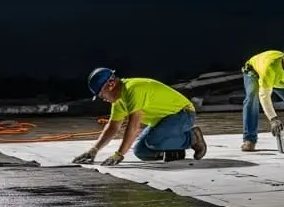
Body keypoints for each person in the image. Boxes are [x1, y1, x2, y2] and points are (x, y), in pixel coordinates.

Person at [72, 67, 206, 165]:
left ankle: (192, 137)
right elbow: (112, 127)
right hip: (162, 122)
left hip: (182, 114)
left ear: (111, 85)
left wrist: (119, 155)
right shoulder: (119, 101)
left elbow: (134, 126)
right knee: (141, 151)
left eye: (101, 94)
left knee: (154, 141)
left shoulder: (133, 90)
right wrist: (94, 150)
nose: (103, 99)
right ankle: (174, 151)